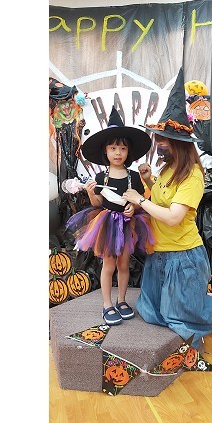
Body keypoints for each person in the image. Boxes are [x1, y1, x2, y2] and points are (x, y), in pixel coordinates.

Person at [122, 68, 212, 350]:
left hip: (183, 256)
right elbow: (163, 200)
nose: (158, 144)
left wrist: (140, 200)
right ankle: (190, 308)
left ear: (179, 144)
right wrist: (149, 180)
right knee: (151, 311)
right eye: (157, 139)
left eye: (163, 140)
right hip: (158, 253)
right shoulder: (167, 169)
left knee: (180, 319)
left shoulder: (192, 175)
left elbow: (174, 216)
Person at [66, 106, 155, 325]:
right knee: (109, 265)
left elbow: (139, 199)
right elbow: (97, 203)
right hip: (107, 225)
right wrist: (90, 192)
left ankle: (121, 300)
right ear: (105, 151)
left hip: (128, 224)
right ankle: (107, 304)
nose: (118, 153)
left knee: (124, 264)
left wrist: (133, 207)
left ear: (128, 152)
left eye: (122, 148)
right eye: (113, 148)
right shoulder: (101, 177)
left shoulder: (133, 176)